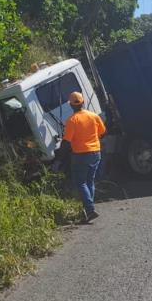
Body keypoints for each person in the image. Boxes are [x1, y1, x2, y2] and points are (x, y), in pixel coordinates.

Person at [63, 92, 107, 222]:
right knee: (89, 181)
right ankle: (89, 210)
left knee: (80, 182)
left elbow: (66, 142)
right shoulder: (94, 116)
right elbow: (103, 132)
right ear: (83, 102)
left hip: (80, 155)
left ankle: (90, 209)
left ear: (71, 105)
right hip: (96, 153)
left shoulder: (72, 120)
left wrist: (60, 154)